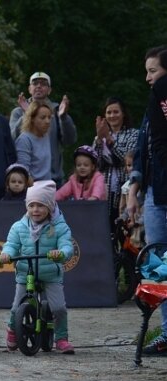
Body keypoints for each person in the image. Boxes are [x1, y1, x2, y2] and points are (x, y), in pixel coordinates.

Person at [0, 180, 74, 354]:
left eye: (40, 206)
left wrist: (61, 253)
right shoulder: (19, 227)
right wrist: (6, 254)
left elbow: (67, 246)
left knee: (59, 308)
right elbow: (11, 244)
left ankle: (61, 338)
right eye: (31, 205)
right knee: (16, 306)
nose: (35, 210)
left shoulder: (59, 227)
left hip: (51, 273)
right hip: (26, 273)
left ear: (50, 206)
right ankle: (13, 330)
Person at [127, 45, 167, 356]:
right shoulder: (152, 104)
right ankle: (166, 334)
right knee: (158, 265)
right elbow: (143, 150)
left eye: (153, 71)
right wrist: (134, 187)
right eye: (146, 71)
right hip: (154, 193)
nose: (147, 77)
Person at [10, 72, 77, 186]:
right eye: (35, 83)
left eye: (43, 84)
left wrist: (64, 117)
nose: (39, 86)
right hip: (26, 181)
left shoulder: (57, 111)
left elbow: (70, 140)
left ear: (49, 90)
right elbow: (11, 139)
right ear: (29, 88)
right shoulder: (18, 112)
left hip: (54, 180)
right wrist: (27, 114)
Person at [93, 97, 139, 228]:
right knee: (104, 229)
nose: (112, 115)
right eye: (108, 112)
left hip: (125, 190)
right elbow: (95, 164)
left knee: (123, 227)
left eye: (116, 112)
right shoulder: (99, 136)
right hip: (104, 191)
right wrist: (98, 141)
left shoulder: (134, 134)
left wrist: (109, 140)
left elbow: (127, 161)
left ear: (123, 113)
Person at [15, 100, 53, 182]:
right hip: (33, 188)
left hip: (48, 185)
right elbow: (23, 171)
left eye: (49, 117)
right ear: (32, 118)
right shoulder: (24, 139)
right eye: (43, 117)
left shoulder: (45, 136)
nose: (47, 121)